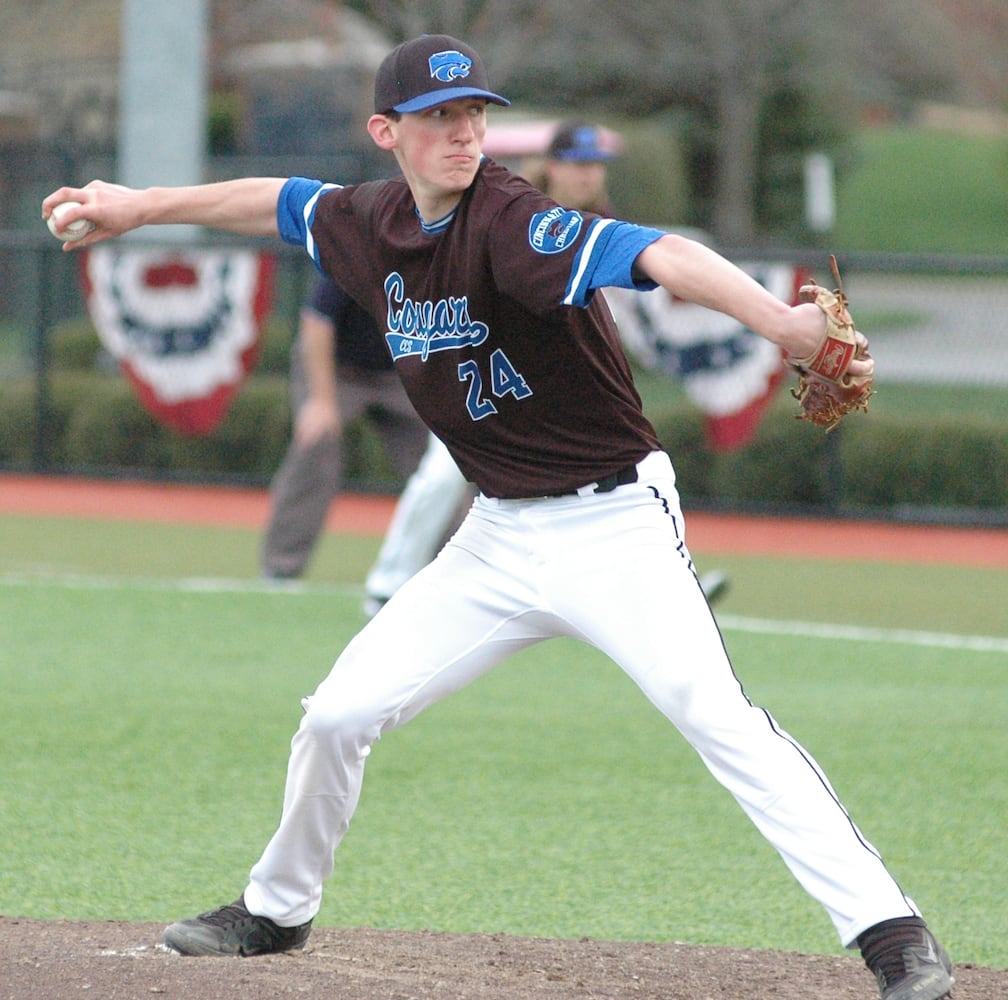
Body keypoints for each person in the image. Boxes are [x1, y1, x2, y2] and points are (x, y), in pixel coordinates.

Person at [43, 34, 953, 1000]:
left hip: (614, 526)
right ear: (386, 133)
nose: (465, 132)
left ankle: (892, 934)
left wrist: (779, 325)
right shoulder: (368, 220)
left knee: (712, 714)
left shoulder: (514, 223)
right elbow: (272, 200)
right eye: (439, 118)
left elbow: (663, 253)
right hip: (497, 537)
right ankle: (277, 908)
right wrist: (140, 207)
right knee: (338, 715)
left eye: (474, 112)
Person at [261, 273, 430, 580]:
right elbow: (317, 321)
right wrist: (322, 401)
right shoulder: (359, 243)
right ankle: (279, 572)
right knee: (316, 445)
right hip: (336, 368)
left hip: (401, 375)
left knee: (441, 471)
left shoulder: (445, 255)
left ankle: (458, 574)